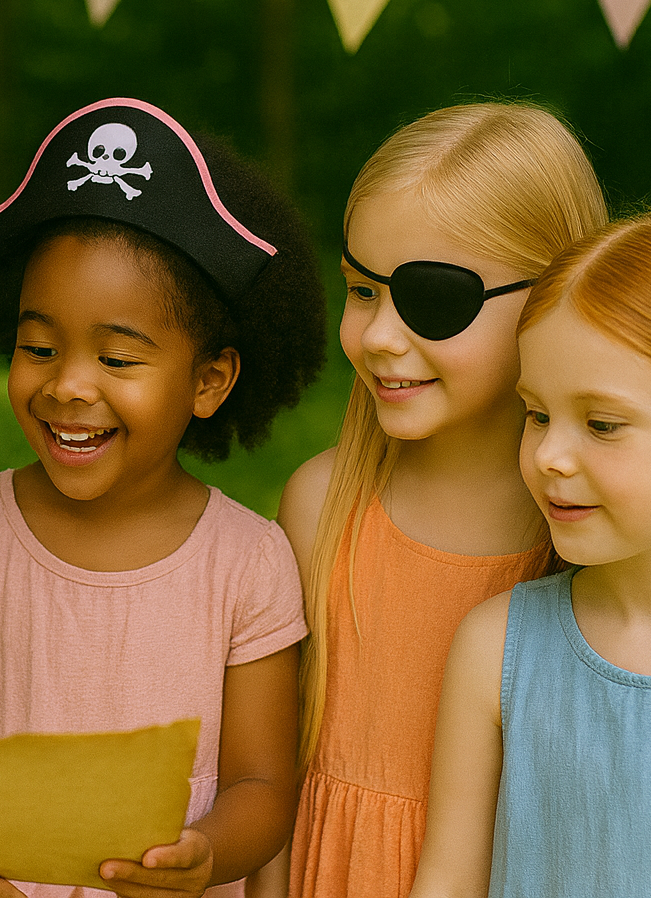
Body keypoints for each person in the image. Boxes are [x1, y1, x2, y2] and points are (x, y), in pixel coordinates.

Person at [0, 98, 327, 898]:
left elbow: (262, 788)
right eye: (39, 346)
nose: (68, 384)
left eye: (119, 359)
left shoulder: (249, 563)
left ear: (210, 381)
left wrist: (206, 857)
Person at [258, 103, 608, 898]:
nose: (380, 335)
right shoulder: (321, 507)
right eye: (360, 289)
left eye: (431, 297)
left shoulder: (588, 535)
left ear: (554, 290)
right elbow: (273, 772)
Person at [409, 207, 651, 897]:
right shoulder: (498, 648)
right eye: (537, 414)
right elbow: (448, 882)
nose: (549, 455)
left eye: (602, 424)